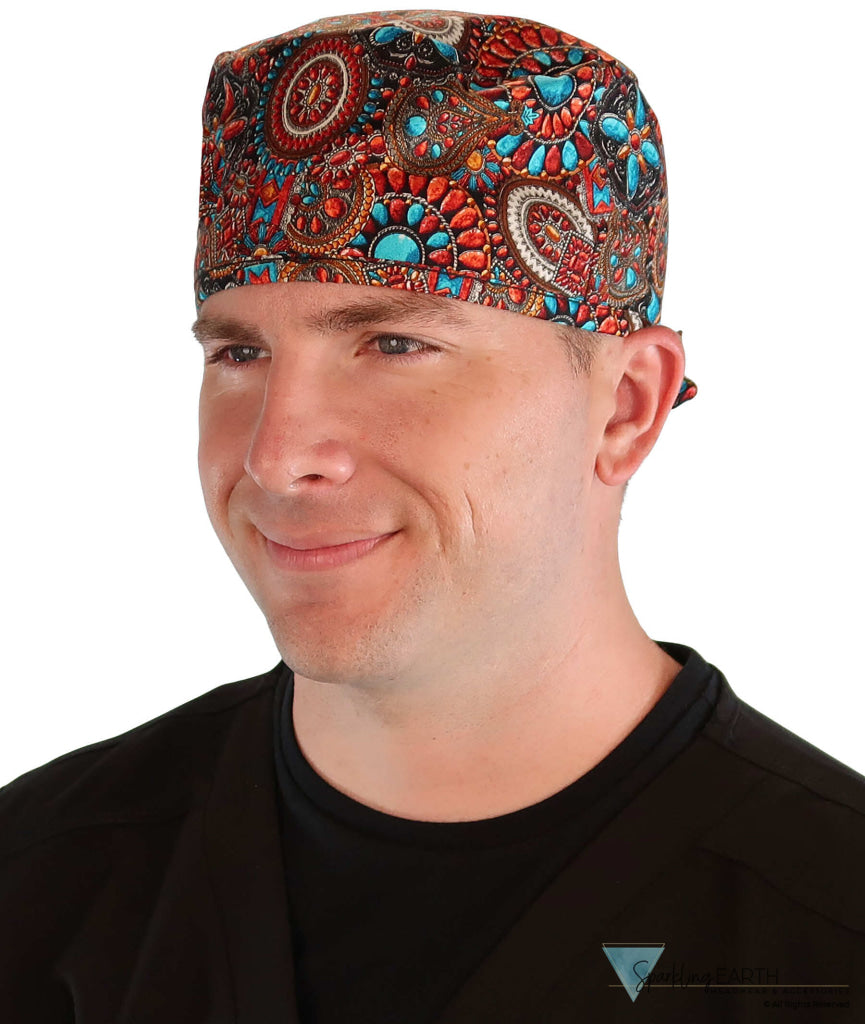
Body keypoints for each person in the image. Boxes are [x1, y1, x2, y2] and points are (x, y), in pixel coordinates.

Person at [1, 9, 863, 1021]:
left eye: (394, 345)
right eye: (239, 353)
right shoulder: (40, 882)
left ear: (625, 405)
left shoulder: (828, 924)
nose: (279, 455)